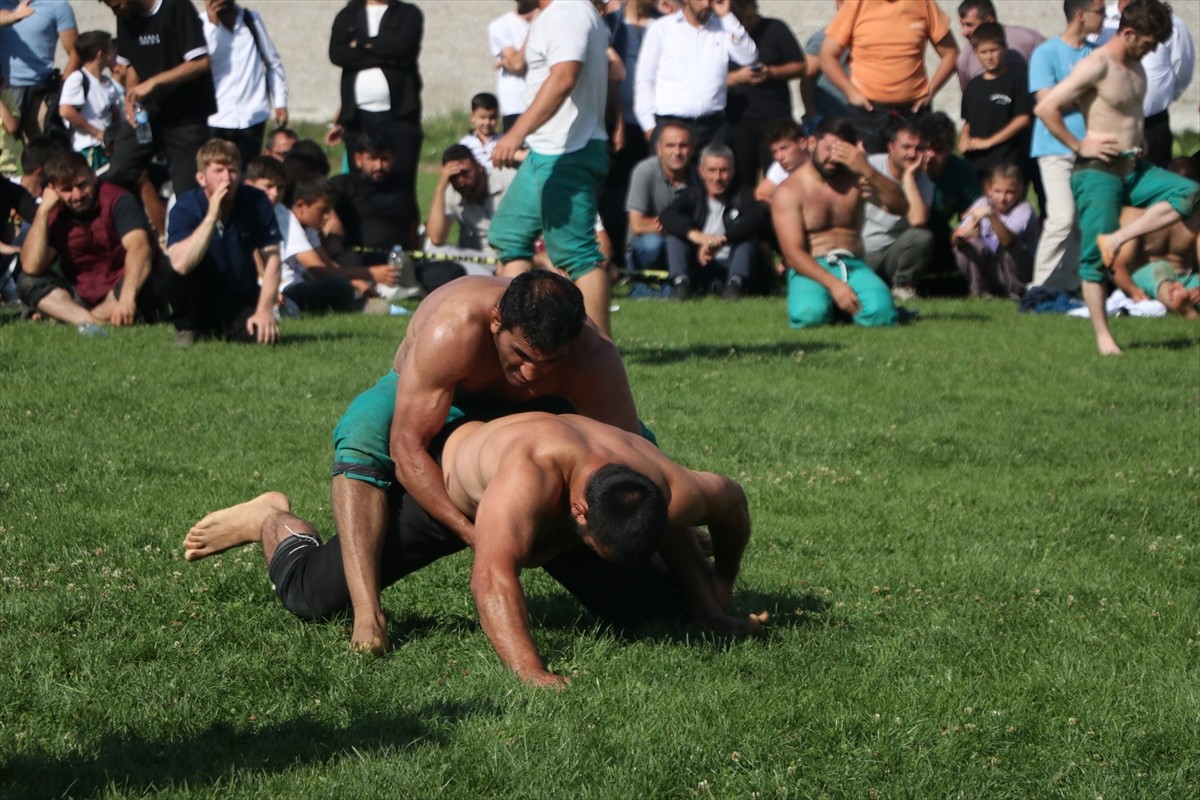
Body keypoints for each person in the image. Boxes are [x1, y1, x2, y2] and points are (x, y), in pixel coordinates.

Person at [184, 411, 762, 686]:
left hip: (560, 518)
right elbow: (492, 577)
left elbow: (732, 504)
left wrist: (720, 588)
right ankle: (270, 519)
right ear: (580, 512)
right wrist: (531, 671)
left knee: (660, 613)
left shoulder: (666, 483)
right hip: (450, 499)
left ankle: (698, 600)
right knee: (313, 596)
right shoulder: (526, 481)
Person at [319, 271, 645, 654]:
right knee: (361, 434)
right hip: (445, 392)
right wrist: (473, 533)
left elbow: (634, 452)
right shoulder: (452, 327)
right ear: (495, 321)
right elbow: (407, 451)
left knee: (635, 443)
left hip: (540, 410)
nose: (531, 374)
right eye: (521, 355)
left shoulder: (592, 355)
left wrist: (665, 516)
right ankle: (367, 613)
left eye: (550, 362)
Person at [1034, 0, 1199, 355]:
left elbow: (1130, 112)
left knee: (1190, 193)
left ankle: (1119, 238)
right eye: (1149, 43)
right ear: (1128, 33)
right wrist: (1080, 144)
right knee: (1094, 261)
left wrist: (1138, 138)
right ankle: (1105, 339)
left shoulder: (1137, 66)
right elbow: (1046, 108)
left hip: (1134, 168)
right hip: (1098, 173)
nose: (1152, 50)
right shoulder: (1096, 65)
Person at [488, 0, 614, 337]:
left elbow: (564, 77)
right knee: (509, 235)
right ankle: (517, 333)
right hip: (547, 151)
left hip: (568, 152)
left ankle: (600, 350)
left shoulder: (569, 11)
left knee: (578, 253)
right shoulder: (560, 13)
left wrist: (515, 133)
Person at [772, 116, 906, 329]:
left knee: (881, 314)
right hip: (810, 268)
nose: (833, 157)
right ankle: (832, 304)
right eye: (829, 148)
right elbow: (793, 254)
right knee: (809, 317)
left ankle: (846, 305)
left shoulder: (857, 179)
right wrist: (835, 285)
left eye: (841, 151)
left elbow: (901, 206)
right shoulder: (789, 191)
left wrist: (867, 169)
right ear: (812, 143)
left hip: (853, 264)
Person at [18, 151, 165, 332]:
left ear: (93, 176)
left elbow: (140, 248)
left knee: (144, 274)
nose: (77, 195)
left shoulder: (118, 200)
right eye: (67, 190)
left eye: (82, 185)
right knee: (27, 282)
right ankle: (93, 321)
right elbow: (32, 267)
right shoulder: (54, 214)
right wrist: (42, 212)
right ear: (53, 190)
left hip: (125, 286)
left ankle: (73, 318)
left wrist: (127, 297)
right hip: (83, 294)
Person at [165, 138, 282, 346]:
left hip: (236, 296)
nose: (227, 178)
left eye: (233, 171)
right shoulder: (186, 206)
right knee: (170, 266)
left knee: (263, 336)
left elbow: (272, 258)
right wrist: (211, 217)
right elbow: (181, 265)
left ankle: (226, 327)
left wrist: (264, 311)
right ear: (201, 178)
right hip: (197, 295)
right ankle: (188, 328)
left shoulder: (256, 201)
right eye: (218, 171)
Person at [100, 0, 217, 199]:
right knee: (118, 172)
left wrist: (154, 82)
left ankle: (184, 221)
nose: (114, 11)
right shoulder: (126, 17)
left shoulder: (176, 7)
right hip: (147, 115)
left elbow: (200, 62)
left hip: (184, 120)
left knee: (187, 192)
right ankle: (139, 221)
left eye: (116, 5)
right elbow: (131, 65)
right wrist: (131, 96)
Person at [1027, 0, 1105, 293]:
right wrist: (1087, 92)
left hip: (1091, 148)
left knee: (1082, 223)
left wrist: (1072, 93)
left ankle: (1069, 287)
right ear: (1081, 16)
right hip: (1055, 147)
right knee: (1061, 218)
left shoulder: (1098, 55)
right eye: (1100, 12)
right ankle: (1038, 289)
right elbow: (1047, 104)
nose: (1105, 17)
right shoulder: (1045, 54)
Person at [819, 0, 958, 153]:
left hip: (913, 112)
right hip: (868, 114)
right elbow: (827, 56)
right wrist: (850, 92)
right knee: (866, 171)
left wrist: (931, 91)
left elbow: (951, 54)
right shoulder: (856, 4)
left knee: (916, 173)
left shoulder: (923, 3)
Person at [633, 0, 758, 157]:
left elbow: (749, 57)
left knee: (716, 179)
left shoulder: (722, 28)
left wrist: (727, 16)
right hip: (671, 126)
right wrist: (649, 126)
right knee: (672, 181)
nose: (706, 4)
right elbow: (645, 79)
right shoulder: (662, 28)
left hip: (714, 127)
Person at [244, 160, 358, 315]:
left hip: (292, 284)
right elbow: (317, 268)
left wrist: (360, 280)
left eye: (280, 187)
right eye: (268, 187)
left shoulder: (281, 212)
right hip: (281, 287)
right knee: (340, 286)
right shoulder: (246, 213)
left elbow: (324, 264)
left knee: (344, 281)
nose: (275, 193)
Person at [329, 0, 424, 182]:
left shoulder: (408, 13)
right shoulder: (347, 15)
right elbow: (337, 54)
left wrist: (360, 45)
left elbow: (403, 49)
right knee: (360, 183)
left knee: (400, 182)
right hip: (358, 117)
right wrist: (386, 55)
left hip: (400, 115)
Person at [1092, 0, 1194, 168]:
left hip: (1152, 125)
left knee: (1156, 185)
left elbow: (1182, 69)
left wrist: (1157, 99)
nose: (1151, 49)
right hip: (1108, 125)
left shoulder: (1171, 23)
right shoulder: (1101, 18)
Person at [659, 143, 767, 300]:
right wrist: (698, 237)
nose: (717, 178)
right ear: (701, 171)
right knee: (675, 238)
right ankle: (681, 284)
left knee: (747, 239)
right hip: (699, 261)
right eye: (712, 170)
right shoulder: (692, 194)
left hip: (731, 262)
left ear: (733, 171)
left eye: (723, 171)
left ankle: (735, 285)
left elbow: (756, 217)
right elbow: (667, 215)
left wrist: (722, 240)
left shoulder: (743, 194)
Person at [201, 0, 289, 173]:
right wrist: (213, 26)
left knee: (248, 176)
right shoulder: (201, 24)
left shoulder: (251, 20)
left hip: (252, 117)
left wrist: (280, 102)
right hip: (216, 119)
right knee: (218, 174)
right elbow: (202, 63)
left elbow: (273, 63)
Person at [724, 0, 805, 186]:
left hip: (775, 119)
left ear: (755, 7)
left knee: (781, 180)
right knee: (742, 181)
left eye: (747, 11)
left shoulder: (775, 28)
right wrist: (737, 77)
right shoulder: (722, 33)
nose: (744, 19)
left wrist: (771, 73)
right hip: (738, 120)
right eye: (738, 14)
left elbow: (800, 66)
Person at [1110, 157, 1200, 318]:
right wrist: (1133, 291)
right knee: (1159, 272)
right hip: (1149, 280)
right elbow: (1117, 264)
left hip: (1186, 280)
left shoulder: (1197, 216)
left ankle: (1185, 301)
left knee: (1194, 282)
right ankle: (1184, 307)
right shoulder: (1137, 213)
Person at [860, 120, 935, 302]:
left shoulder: (924, 181)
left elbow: (918, 221)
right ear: (891, 147)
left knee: (922, 236)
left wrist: (908, 177)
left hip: (893, 254)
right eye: (906, 147)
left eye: (918, 148)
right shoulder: (869, 167)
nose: (912, 153)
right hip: (861, 252)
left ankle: (902, 286)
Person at [952, 163, 1041, 299]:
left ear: (1020, 191)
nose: (1002, 198)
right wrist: (962, 236)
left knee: (1011, 247)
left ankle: (1015, 291)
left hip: (1018, 269)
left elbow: (1007, 240)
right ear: (989, 190)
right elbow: (954, 237)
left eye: (1009, 192)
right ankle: (979, 291)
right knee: (965, 246)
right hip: (993, 266)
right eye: (998, 191)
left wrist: (991, 214)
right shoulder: (982, 202)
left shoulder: (1024, 209)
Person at [958, 23, 1033, 183]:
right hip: (976, 163)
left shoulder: (1017, 80)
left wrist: (989, 142)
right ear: (976, 53)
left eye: (993, 50)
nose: (989, 56)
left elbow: (1023, 119)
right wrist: (964, 138)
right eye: (983, 52)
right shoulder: (973, 86)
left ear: (1004, 48)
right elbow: (968, 121)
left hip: (1007, 162)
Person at [918, 111, 982, 292]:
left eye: (938, 149)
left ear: (950, 147)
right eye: (924, 148)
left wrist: (962, 232)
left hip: (944, 235)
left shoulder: (962, 171)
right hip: (909, 234)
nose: (930, 155)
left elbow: (973, 212)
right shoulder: (907, 166)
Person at [425, 143, 514, 270]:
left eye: (464, 173)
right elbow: (436, 238)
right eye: (453, 176)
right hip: (483, 259)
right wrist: (440, 188)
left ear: (478, 166)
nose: (460, 180)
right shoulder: (451, 191)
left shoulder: (508, 178)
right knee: (434, 251)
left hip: (517, 253)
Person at [0, 0, 78, 141]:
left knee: (49, 151)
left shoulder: (56, 5)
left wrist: (64, 88)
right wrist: (13, 16)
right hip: (4, 93)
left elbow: (76, 52)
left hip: (40, 90)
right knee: (7, 154)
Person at [625, 121, 692, 273]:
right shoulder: (644, 171)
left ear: (692, 149)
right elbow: (637, 225)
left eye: (683, 145)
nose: (677, 152)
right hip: (646, 245)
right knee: (653, 245)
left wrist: (665, 223)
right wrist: (682, 226)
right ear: (659, 148)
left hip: (684, 241)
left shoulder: (698, 175)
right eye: (670, 145)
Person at [56, 30, 122, 171]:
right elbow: (66, 110)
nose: (115, 53)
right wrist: (97, 133)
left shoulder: (108, 82)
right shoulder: (78, 79)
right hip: (89, 149)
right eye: (111, 48)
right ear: (100, 54)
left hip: (109, 147)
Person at [954, 0, 1045, 90]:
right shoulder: (965, 58)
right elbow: (969, 98)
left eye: (969, 25)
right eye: (962, 25)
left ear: (990, 21)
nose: (964, 32)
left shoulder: (1028, 39)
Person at [488, 0, 539, 132]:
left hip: (543, 102)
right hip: (516, 104)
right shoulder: (500, 25)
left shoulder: (551, 22)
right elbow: (518, 65)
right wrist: (535, 26)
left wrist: (509, 62)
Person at [752, 118, 808, 203]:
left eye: (784, 148)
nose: (779, 157)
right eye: (774, 152)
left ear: (802, 143)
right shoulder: (780, 167)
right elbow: (760, 194)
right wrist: (783, 210)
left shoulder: (821, 164)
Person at [457, 92, 503, 170]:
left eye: (492, 118)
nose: (487, 122)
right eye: (482, 117)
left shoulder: (503, 141)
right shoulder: (464, 144)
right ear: (472, 117)